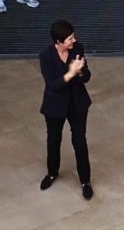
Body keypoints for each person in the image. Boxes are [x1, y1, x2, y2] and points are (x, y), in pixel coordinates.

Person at [38, 19, 92, 199]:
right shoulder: (45, 55)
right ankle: (52, 172)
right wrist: (69, 74)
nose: (73, 41)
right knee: (53, 141)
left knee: (79, 142)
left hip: (77, 103)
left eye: (73, 37)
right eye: (69, 39)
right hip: (55, 106)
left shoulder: (78, 49)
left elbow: (87, 77)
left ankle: (85, 180)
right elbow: (51, 85)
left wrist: (81, 71)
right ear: (58, 42)